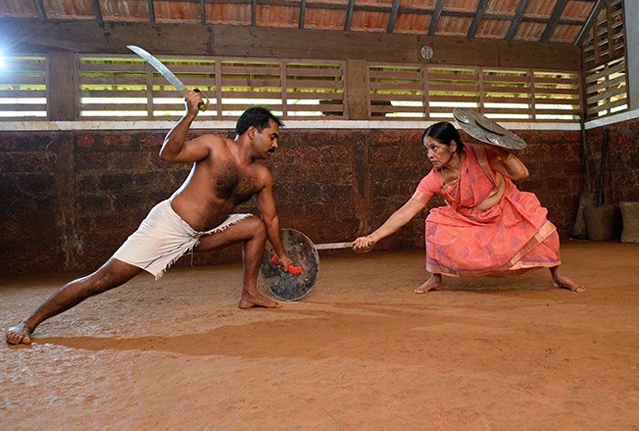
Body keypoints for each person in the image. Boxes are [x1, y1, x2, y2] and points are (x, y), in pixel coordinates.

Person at [5, 91, 298, 345]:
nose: (275, 145)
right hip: (170, 225)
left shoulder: (260, 176)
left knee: (255, 226)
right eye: (272, 137)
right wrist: (189, 115)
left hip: (204, 234)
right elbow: (169, 154)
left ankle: (249, 294)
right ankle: (29, 323)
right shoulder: (214, 146)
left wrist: (282, 256)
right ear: (251, 132)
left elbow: (271, 218)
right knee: (104, 279)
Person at [352, 121, 585, 294]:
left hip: (504, 208)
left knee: (545, 230)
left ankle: (557, 275)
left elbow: (521, 173)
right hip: (467, 218)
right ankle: (436, 278)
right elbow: (407, 210)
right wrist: (373, 237)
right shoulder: (434, 178)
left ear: (452, 146)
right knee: (435, 222)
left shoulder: (482, 155)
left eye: (434, 148)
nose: (430, 155)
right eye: (426, 149)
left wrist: (500, 149)